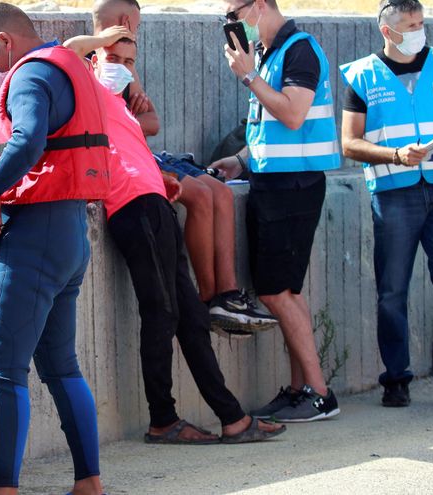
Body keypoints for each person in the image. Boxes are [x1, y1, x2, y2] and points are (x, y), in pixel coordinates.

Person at [64, 32, 286, 444]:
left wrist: (160, 178)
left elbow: (126, 154)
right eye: (115, 58)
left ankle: (232, 418)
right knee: (162, 313)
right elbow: (64, 53)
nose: (123, 68)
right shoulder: (84, 88)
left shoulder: (119, 105)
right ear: (95, 58)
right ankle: (162, 420)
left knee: (191, 316)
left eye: (130, 62)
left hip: (154, 204)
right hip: (132, 209)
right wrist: (102, 38)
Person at [0, 3, 110, 494]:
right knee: (59, 364)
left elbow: (27, 141)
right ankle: (89, 483)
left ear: (6, 41)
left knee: (3, 367)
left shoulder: (29, 77)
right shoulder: (64, 68)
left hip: (37, 234)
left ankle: (0, 487)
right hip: (70, 231)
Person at [92, 0, 276, 333]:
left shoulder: (124, 63)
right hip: (129, 168)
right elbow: (127, 123)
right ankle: (208, 299)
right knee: (203, 196)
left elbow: (153, 122)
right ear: (125, 20)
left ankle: (229, 294)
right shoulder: (101, 63)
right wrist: (131, 118)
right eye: (137, 23)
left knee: (220, 191)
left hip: (144, 156)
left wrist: (129, 118)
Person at [340, 0, 433, 409]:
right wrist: (397, 156)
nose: (420, 30)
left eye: (421, 22)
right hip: (394, 193)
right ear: (388, 31)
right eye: (410, 24)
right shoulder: (362, 76)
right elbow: (350, 143)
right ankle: (396, 379)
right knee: (391, 291)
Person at [217, 0, 341, 422]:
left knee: (274, 292)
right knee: (286, 293)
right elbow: (272, 126)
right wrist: (243, 159)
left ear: (260, 5)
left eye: (234, 12)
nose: (231, 22)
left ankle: (320, 395)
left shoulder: (299, 49)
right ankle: (300, 389)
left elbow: (292, 113)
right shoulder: (270, 54)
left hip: (294, 186)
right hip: (275, 181)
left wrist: (249, 76)